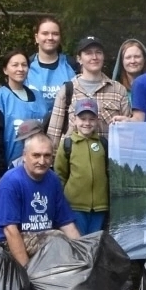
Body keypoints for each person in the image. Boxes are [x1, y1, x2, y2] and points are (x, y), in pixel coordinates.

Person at [0, 134, 80, 266]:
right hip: (6, 244)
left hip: (41, 241)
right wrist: (28, 272)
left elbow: (67, 224)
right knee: (56, 239)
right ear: (24, 155)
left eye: (47, 155)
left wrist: (83, 252)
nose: (42, 161)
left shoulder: (53, 179)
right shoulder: (10, 182)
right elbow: (10, 231)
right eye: (36, 155)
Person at [47, 36, 131, 149]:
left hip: (108, 162)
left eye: (98, 52)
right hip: (73, 162)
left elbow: (128, 132)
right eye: (88, 53)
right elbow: (54, 134)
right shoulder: (67, 90)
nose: (94, 57)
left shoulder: (118, 90)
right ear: (79, 59)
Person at [54, 98, 108, 236]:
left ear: (97, 120)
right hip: (74, 206)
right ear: (75, 119)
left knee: (95, 243)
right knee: (79, 243)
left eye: (91, 119)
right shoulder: (67, 144)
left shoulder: (103, 143)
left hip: (100, 207)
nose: (87, 123)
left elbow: (108, 172)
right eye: (82, 119)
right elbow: (60, 175)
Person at [0, 51, 47, 188]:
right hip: (9, 170)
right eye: (15, 65)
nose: (20, 69)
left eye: (24, 65)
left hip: (39, 168)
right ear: (5, 70)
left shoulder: (38, 97)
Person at [25, 16, 77, 113]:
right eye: (45, 33)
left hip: (66, 125)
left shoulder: (72, 65)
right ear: (36, 38)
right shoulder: (25, 66)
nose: (50, 37)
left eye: (55, 34)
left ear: (60, 38)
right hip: (33, 125)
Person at [112, 38, 146, 104]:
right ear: (122, 61)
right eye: (128, 57)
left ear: (144, 59)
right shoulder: (115, 90)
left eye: (137, 57)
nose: (133, 61)